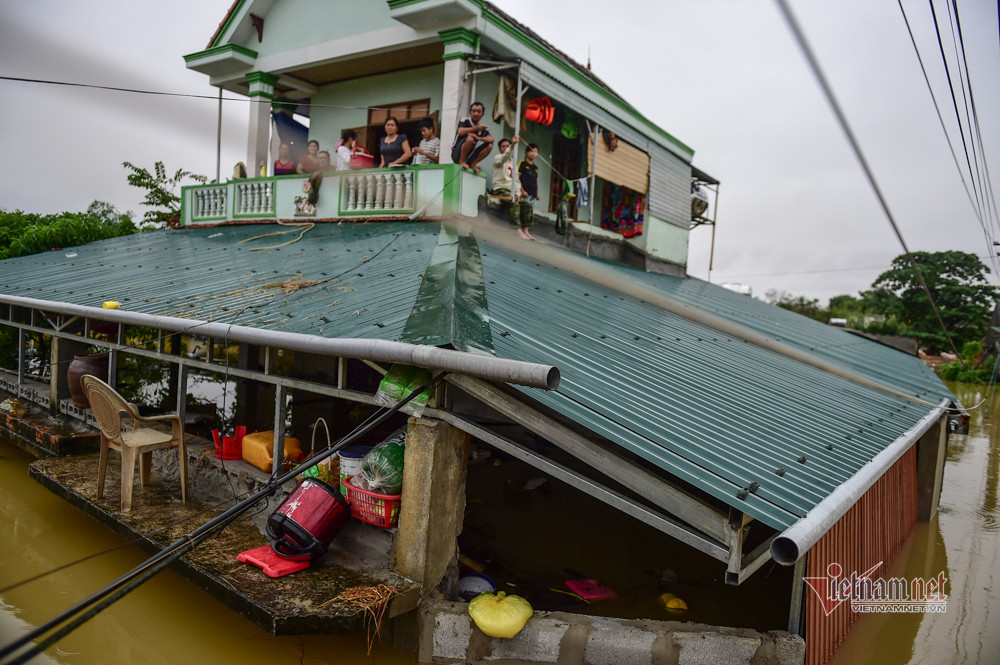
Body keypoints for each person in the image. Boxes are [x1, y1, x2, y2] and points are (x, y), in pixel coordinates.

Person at [451, 101, 494, 173]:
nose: (476, 114)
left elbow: (492, 139)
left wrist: (479, 138)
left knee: (490, 145)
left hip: (470, 155)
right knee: (470, 139)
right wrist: (477, 128)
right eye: (474, 111)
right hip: (457, 154)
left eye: (478, 112)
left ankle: (473, 164)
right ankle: (462, 162)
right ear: (470, 112)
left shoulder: (483, 128)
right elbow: (460, 131)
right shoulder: (465, 120)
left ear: (482, 114)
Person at [491, 135, 520, 226]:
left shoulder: (513, 162)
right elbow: (504, 157)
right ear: (500, 149)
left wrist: (518, 193)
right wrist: (512, 146)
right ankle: (516, 229)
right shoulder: (498, 158)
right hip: (500, 189)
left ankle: (526, 231)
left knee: (526, 205)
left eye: (507, 146)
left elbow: (517, 180)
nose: (505, 148)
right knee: (513, 203)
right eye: (503, 146)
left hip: (511, 190)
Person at [515, 143, 540, 240]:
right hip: (523, 192)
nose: (534, 154)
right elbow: (517, 178)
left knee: (530, 212)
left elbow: (535, 181)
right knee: (522, 209)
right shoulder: (522, 164)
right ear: (527, 152)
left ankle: (526, 230)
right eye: (532, 151)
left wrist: (537, 194)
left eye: (536, 152)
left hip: (532, 194)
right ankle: (519, 230)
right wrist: (522, 190)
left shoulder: (536, 168)